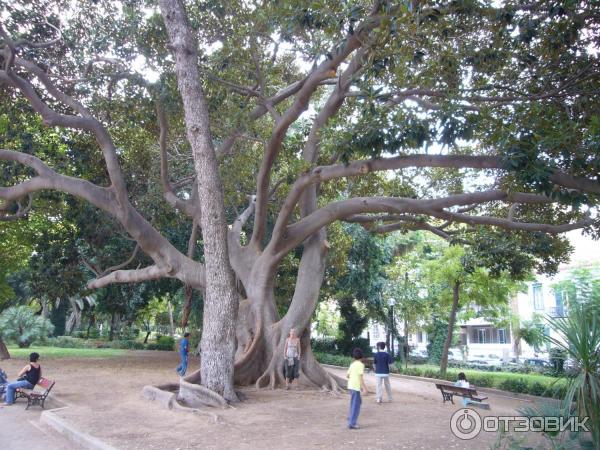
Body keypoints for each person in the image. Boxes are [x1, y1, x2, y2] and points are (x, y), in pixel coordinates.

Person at [346, 347, 368, 430]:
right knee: (356, 405)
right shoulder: (361, 365)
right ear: (362, 356)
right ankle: (352, 423)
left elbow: (347, 375)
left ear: (353, 357)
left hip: (351, 386)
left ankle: (351, 418)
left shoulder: (352, 364)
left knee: (355, 403)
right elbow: (360, 377)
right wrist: (364, 388)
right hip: (356, 387)